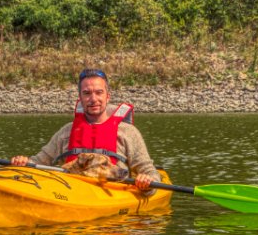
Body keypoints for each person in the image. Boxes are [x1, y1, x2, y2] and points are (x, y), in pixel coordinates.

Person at [11, 68, 160, 192]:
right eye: (87, 93)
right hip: (71, 193)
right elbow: (38, 162)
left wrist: (147, 181)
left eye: (99, 92)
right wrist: (24, 163)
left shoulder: (128, 132)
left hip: (112, 194)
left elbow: (149, 171)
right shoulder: (66, 132)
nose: (93, 99)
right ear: (80, 98)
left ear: (108, 97)